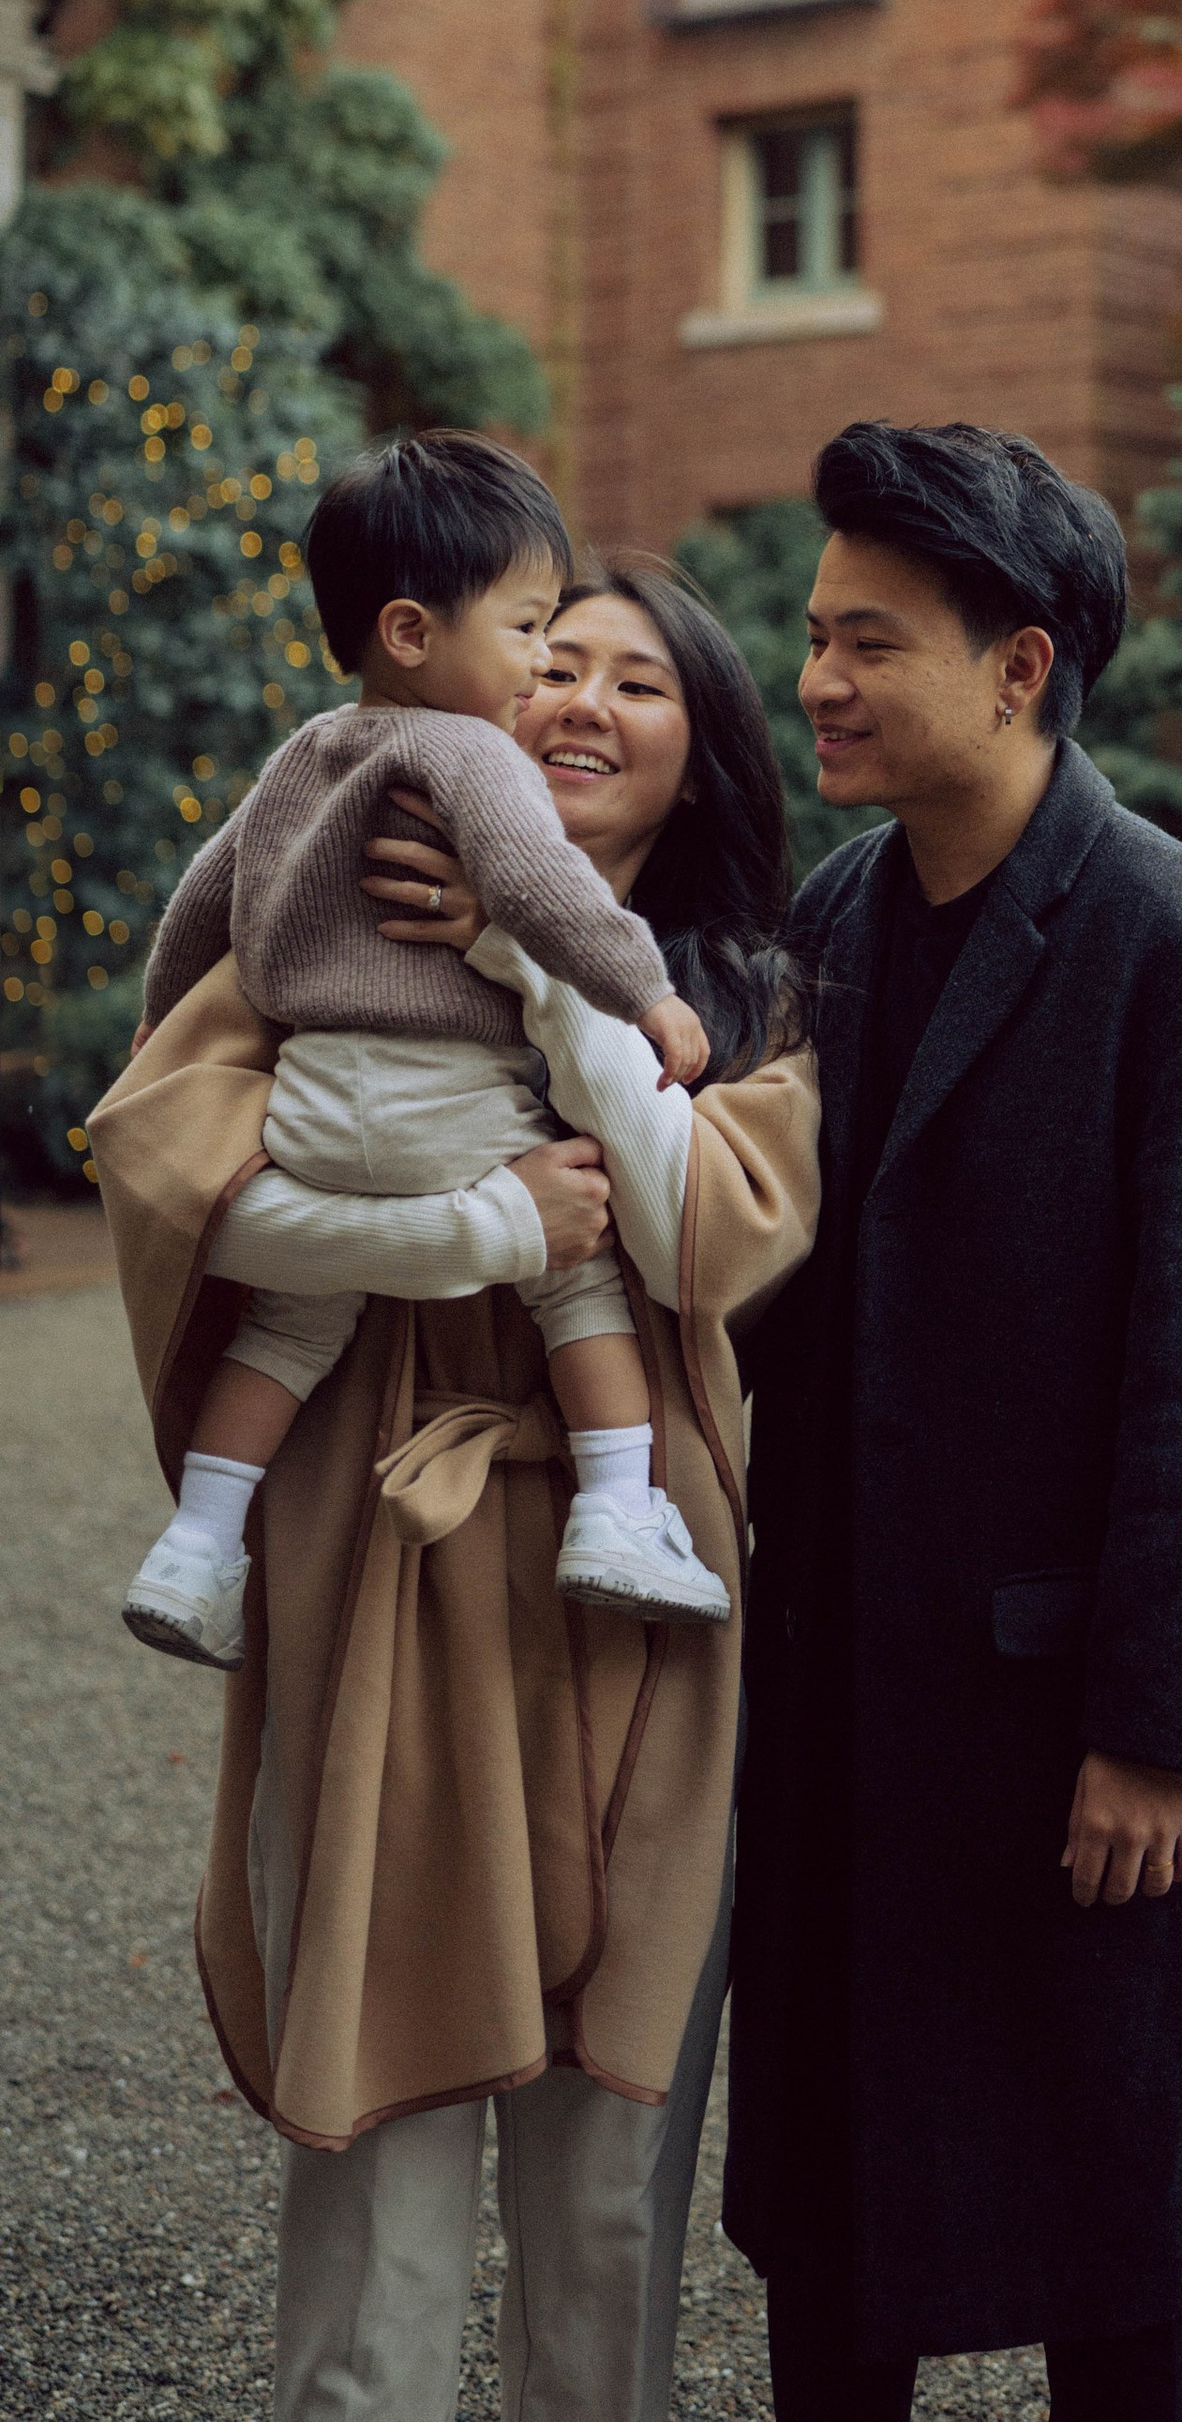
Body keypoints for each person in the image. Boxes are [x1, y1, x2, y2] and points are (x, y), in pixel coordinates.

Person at [90, 558, 821, 2422]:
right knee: (378, 2111)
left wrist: (532, 962)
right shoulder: (328, 926)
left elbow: (695, 1233)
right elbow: (176, 1176)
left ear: (703, 745)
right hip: (372, 1557)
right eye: (552, 659)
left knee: (602, 2173)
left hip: (629, 1589)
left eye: (636, 680)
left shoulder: (748, 996)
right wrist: (469, 1230)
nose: (579, 698)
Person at [727, 421, 1182, 2422]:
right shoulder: (828, 917)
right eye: (815, 635)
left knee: (1114, 2258)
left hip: (1078, 1729)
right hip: (851, 1715)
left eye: (866, 641)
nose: (817, 678)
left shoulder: (1178, 947)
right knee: (838, 2244)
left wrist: (1161, 1733)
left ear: (1021, 666)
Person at [121, 435, 723, 1671]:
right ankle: (618, 1512)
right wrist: (645, 991)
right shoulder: (468, 751)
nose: (542, 666)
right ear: (410, 633)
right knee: (579, 1282)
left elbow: (197, 901)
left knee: (285, 1333)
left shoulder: (300, 756)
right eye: (530, 632)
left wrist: (156, 1025)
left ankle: (194, 1544)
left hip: (312, 1106)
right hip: (446, 1100)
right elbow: (538, 881)